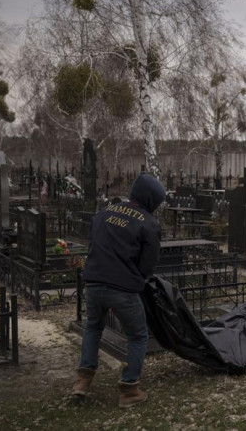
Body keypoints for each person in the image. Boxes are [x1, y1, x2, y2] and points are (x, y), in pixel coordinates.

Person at [72, 173, 165, 408]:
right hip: (123, 289)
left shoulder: (103, 213)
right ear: (152, 199)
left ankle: (83, 381)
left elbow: (94, 244)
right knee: (138, 335)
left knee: (93, 328)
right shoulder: (149, 223)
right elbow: (149, 263)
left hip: (93, 283)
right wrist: (138, 279)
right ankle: (129, 390)